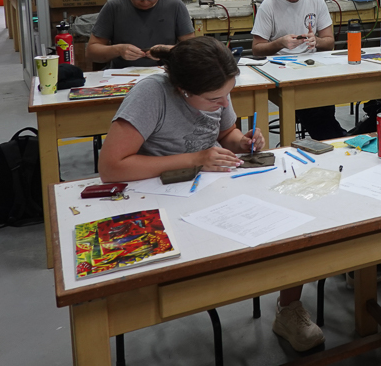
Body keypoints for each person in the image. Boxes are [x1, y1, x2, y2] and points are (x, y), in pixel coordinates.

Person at [97, 38, 323, 352]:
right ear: (183, 90)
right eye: (215, 99)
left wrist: (241, 142)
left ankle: (289, 308)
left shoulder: (217, 88)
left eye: (227, 95)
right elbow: (111, 167)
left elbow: (225, 133)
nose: (224, 104)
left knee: (288, 224)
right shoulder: (151, 94)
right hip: (160, 193)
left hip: (210, 186)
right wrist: (195, 159)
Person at [251, 0, 345, 140]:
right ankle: (334, 138)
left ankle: (334, 137)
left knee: (324, 102)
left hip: (312, 66)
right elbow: (256, 49)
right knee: (312, 108)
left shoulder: (316, 1)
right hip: (281, 69)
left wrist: (316, 41)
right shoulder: (268, 6)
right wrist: (279, 43)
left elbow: (329, 42)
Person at [88, 0, 195, 68]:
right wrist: (118, 50)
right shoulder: (113, 7)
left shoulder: (175, 6)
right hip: (123, 74)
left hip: (165, 72)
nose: (145, 2)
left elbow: (193, 50)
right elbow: (91, 52)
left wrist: (169, 51)